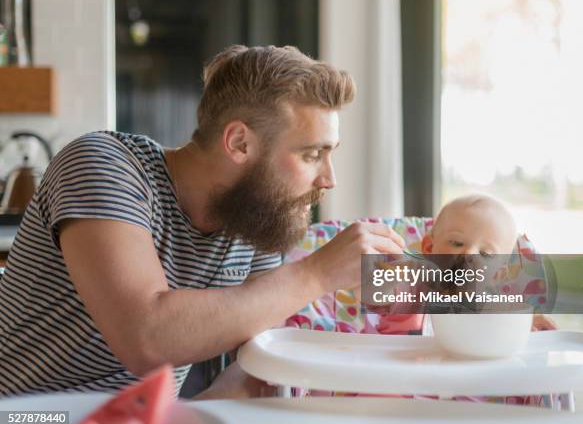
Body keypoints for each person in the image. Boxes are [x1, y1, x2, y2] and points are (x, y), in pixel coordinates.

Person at [0, 45, 407, 397]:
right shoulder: (102, 166)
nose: (329, 179)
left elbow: (259, 349)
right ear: (239, 143)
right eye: (311, 154)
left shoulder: (254, 214)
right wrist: (315, 274)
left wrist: (440, 287)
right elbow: (147, 337)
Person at [378, 194, 557, 333]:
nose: (469, 254)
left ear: (496, 274)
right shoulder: (414, 287)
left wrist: (526, 324)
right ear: (429, 248)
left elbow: (505, 328)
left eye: (485, 253)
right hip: (400, 375)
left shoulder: (492, 308)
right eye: (457, 243)